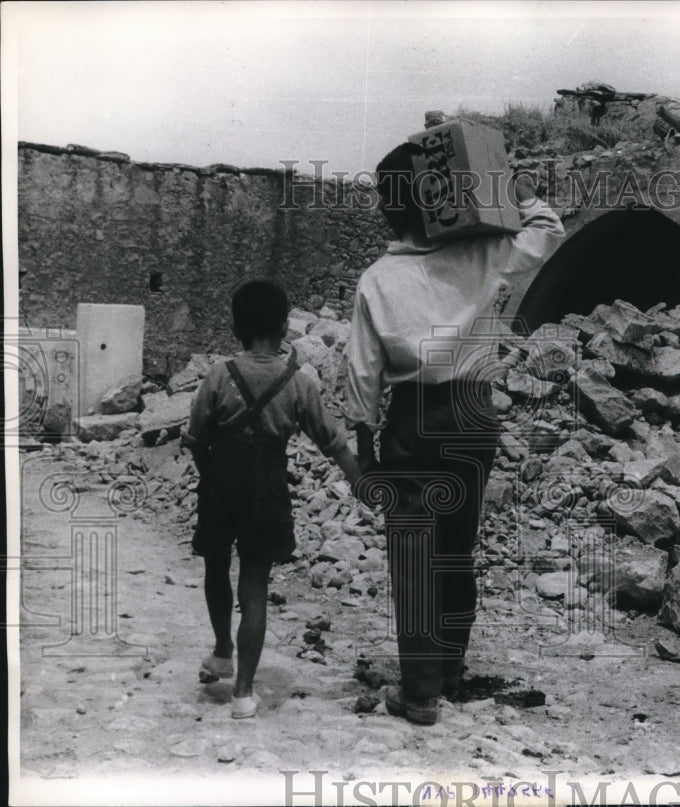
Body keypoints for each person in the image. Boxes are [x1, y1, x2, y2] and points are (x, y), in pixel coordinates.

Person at [345, 143, 565, 724]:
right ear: (440, 201)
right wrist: (506, 188)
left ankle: (419, 692)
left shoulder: (377, 279)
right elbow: (548, 228)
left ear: (391, 212)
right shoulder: (483, 253)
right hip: (473, 416)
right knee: (457, 549)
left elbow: (362, 372)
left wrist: (365, 451)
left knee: (413, 552)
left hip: (411, 420)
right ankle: (449, 667)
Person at [182, 280, 361, 719]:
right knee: (256, 586)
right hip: (267, 486)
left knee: (215, 567)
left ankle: (222, 649)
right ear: (284, 327)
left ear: (236, 326)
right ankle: (243, 692)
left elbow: (196, 437)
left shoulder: (218, 375)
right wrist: (363, 483)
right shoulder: (299, 384)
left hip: (221, 482)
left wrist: (213, 478)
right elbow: (333, 442)